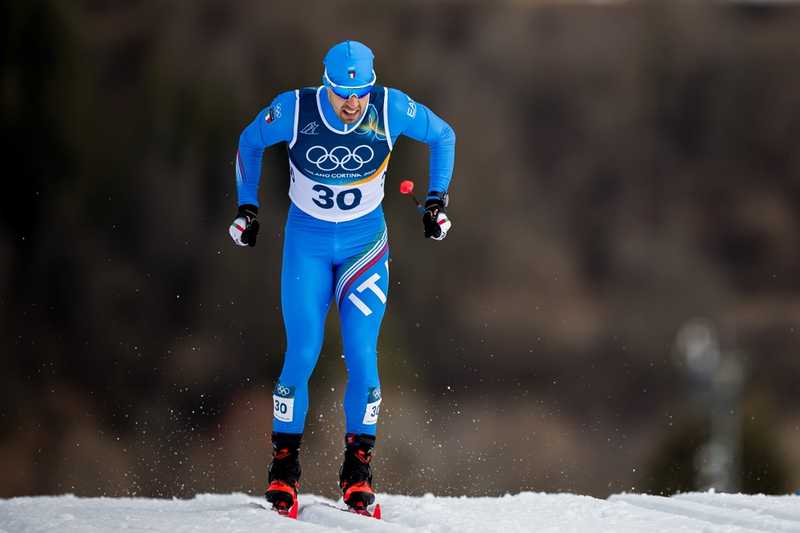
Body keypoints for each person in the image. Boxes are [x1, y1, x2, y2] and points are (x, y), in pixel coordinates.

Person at [229, 40, 456, 515]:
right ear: (326, 85)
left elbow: (444, 136)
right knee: (304, 351)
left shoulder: (390, 107)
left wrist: (436, 201)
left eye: (361, 94)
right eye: (342, 94)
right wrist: (248, 208)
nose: (353, 105)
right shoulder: (296, 109)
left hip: (364, 248)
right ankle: (283, 471)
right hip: (307, 246)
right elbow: (250, 142)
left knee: (363, 359)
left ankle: (357, 474)